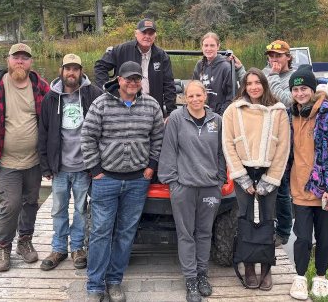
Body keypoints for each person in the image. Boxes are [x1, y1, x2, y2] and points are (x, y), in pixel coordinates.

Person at [82, 61, 165, 302]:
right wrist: (95, 170)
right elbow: (87, 137)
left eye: (137, 79)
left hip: (138, 181)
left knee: (126, 233)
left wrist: (151, 167)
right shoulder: (101, 103)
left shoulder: (151, 105)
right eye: (128, 79)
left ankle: (115, 281)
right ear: (119, 79)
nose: (132, 83)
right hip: (105, 179)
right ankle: (95, 285)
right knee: (100, 232)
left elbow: (158, 138)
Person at [0, 43, 50, 272]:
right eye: (16, 57)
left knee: (30, 202)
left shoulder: (40, 85)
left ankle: (24, 242)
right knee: (10, 204)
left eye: (25, 58)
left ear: (30, 62)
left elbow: (50, 116)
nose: (20, 61)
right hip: (6, 161)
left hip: (34, 160)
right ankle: (4, 246)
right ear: (8, 60)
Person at [222, 68, 290, 291]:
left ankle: (267, 268)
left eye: (257, 82)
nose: (253, 87)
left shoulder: (278, 111)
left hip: (269, 172)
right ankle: (249, 267)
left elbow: (283, 148)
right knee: (245, 220)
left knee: (267, 221)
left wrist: (270, 179)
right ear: (244, 86)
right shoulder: (233, 110)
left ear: (264, 84)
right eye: (249, 83)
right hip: (244, 172)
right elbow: (228, 144)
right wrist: (241, 177)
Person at [158, 81, 227, 302]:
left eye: (199, 95)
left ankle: (202, 274)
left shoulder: (217, 121)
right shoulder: (177, 119)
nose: (195, 99)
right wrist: (172, 182)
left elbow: (222, 153)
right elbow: (168, 150)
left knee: (204, 233)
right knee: (186, 234)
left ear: (205, 96)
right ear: (184, 98)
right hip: (184, 187)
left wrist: (220, 180)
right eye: (190, 96)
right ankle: (190, 279)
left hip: (209, 186)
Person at [287, 65, 328, 300]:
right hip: (299, 188)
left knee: (324, 238)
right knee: (302, 238)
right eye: (296, 89)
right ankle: (300, 277)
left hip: (325, 191)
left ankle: (321, 277)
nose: (300, 93)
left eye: (304, 88)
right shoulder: (289, 114)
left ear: (312, 89)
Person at [38, 53, 102, 271]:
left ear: (81, 71)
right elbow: (43, 133)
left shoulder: (93, 94)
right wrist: (45, 165)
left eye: (75, 69)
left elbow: (103, 130)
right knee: (58, 209)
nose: (71, 73)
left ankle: (77, 248)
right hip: (59, 168)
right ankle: (58, 248)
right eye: (68, 68)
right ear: (61, 71)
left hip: (84, 167)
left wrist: (96, 164)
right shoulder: (50, 98)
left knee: (81, 210)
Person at [233, 39, 294, 246]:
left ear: (288, 57)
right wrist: (240, 68)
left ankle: (283, 231)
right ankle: (256, 231)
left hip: (285, 137)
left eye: (278, 55)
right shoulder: (265, 73)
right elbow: (252, 87)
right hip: (262, 141)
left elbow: (285, 100)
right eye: (271, 56)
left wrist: (274, 76)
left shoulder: (291, 77)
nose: (274, 59)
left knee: (282, 187)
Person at [94, 18, 176, 117]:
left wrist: (171, 113)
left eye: (150, 33)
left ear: (155, 36)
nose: (147, 36)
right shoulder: (122, 50)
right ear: (136, 33)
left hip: (153, 108)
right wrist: (107, 91)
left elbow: (169, 85)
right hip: (124, 107)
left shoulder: (162, 56)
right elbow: (100, 66)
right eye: (144, 32)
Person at [192, 32, 234, 115]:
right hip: (200, 112)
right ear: (202, 47)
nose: (208, 49)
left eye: (212, 45)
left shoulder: (226, 67)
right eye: (206, 45)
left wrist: (220, 116)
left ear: (218, 47)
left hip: (219, 114)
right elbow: (193, 90)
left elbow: (231, 97)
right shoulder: (199, 65)